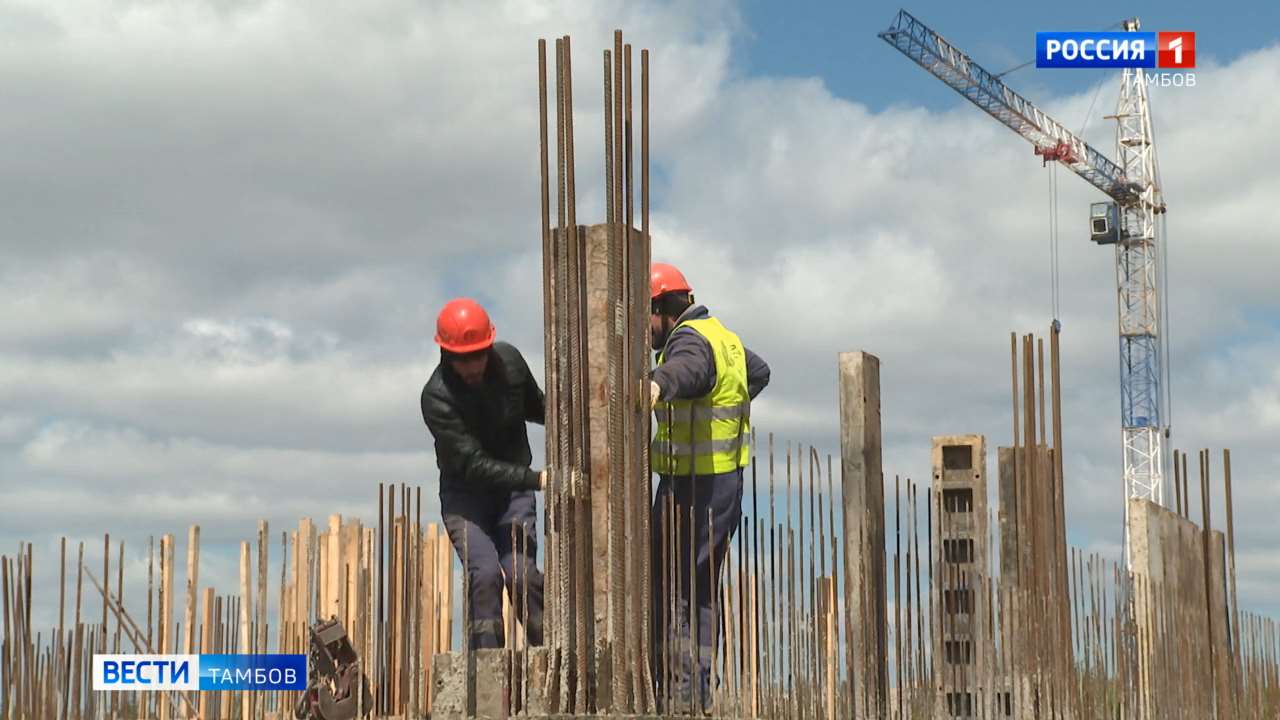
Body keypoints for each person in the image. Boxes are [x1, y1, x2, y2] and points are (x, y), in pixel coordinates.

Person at [647, 263, 770, 712]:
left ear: (661, 307)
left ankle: (678, 694)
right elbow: (760, 372)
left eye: (647, 318)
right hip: (726, 485)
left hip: (692, 488)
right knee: (701, 586)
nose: (647, 331)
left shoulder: (688, 341)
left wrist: (658, 385)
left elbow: (689, 369)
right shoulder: (727, 339)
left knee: (672, 584)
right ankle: (697, 689)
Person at [421, 297, 546, 649]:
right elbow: (473, 465)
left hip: (512, 496)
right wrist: (537, 480)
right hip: (466, 498)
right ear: (447, 354)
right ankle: (490, 679)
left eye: (479, 354)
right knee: (486, 574)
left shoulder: (510, 364)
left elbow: (539, 407)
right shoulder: (437, 398)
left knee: (522, 577)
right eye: (464, 358)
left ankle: (551, 663)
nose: (474, 365)